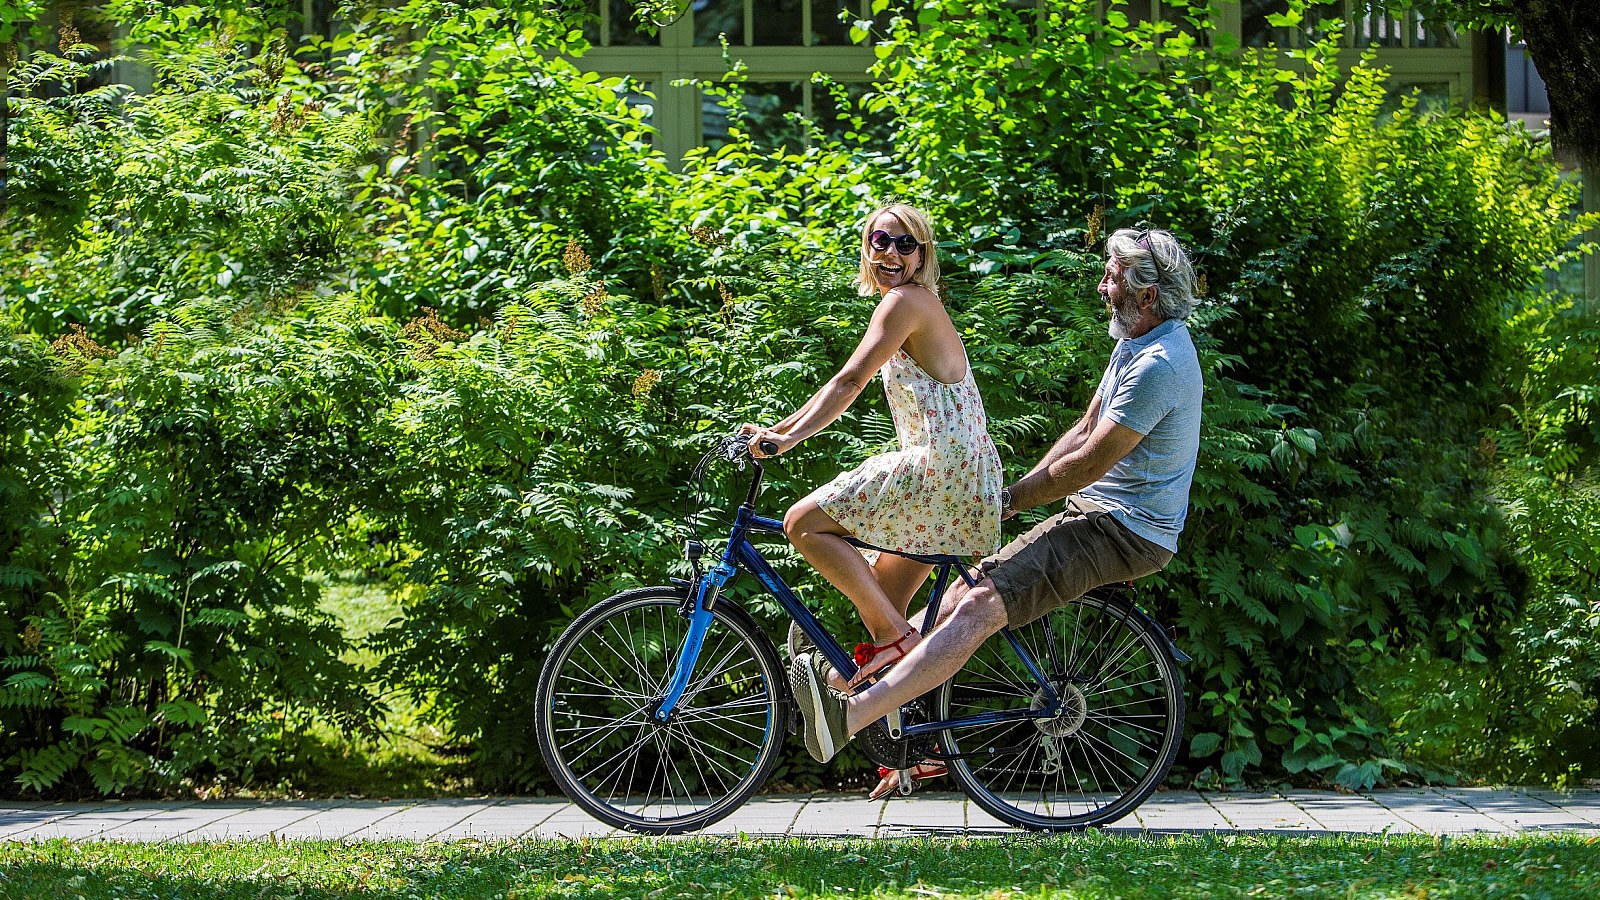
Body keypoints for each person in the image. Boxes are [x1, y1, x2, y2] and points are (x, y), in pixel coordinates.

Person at [790, 226, 1204, 778]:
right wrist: (1016, 495)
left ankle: (854, 715)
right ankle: (848, 685)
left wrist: (1014, 497)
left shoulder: (1160, 365)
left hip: (1127, 531)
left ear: (1147, 295)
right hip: (1096, 516)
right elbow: (1083, 430)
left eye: (1113, 278)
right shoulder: (1135, 343)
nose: (1103, 286)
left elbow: (1089, 463)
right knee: (960, 592)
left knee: (981, 606)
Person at [740, 202, 1003, 704]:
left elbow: (849, 380)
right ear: (867, 247)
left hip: (939, 465)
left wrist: (788, 439)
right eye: (881, 241)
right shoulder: (912, 302)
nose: (890, 253)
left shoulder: (906, 301)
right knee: (885, 601)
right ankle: (909, 752)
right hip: (962, 475)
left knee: (802, 524)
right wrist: (777, 429)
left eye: (906, 244)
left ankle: (893, 640)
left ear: (922, 255)